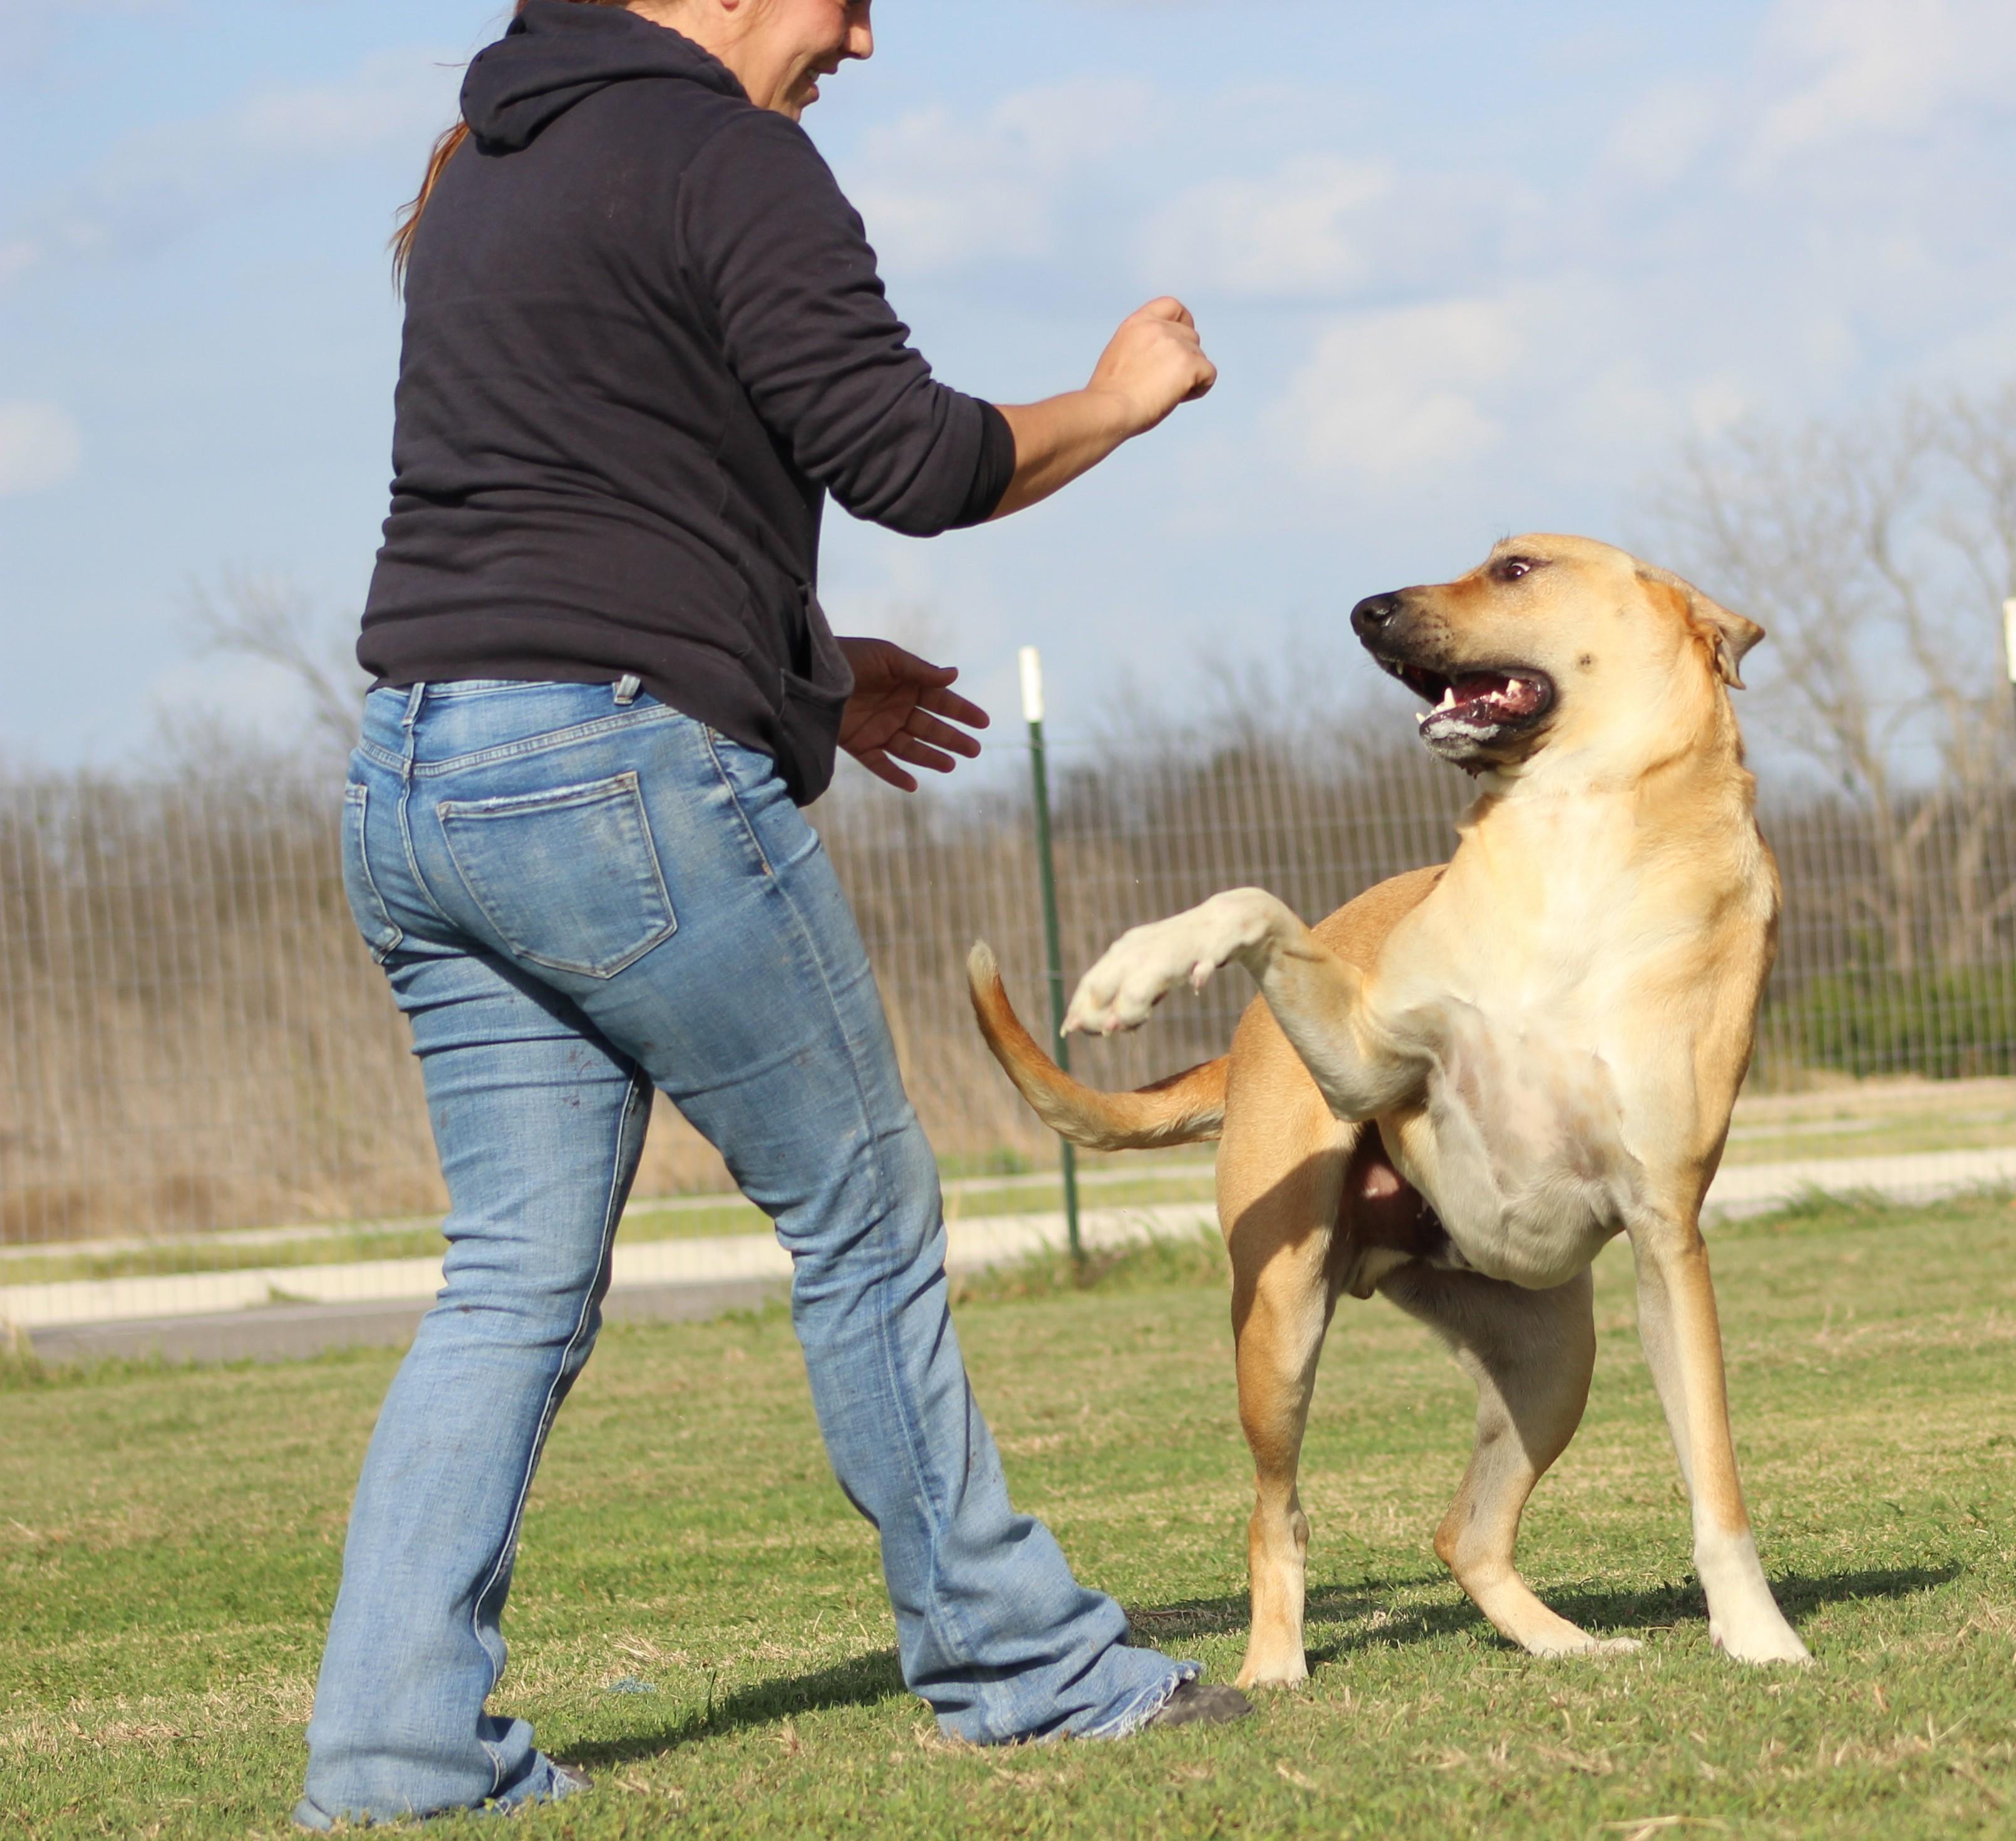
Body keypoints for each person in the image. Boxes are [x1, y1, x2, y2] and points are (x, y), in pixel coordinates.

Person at [296, 0, 1228, 1826]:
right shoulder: (729, 154)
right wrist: (1118, 398)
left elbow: (597, 504)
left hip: (417, 771)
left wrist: (801, 674)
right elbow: (917, 461)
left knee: (510, 1278)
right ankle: (1021, 1664)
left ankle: (398, 1752)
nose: (861, 39)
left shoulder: (490, 163)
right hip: (614, 775)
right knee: (863, 1213)